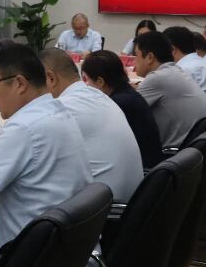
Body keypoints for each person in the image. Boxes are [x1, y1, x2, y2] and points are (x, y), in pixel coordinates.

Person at [0, 46, 93, 261]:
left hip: (26, 262)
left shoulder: (24, 127)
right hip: (66, 256)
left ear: (20, 83)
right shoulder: (57, 111)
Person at [40, 49, 143, 202]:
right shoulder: (100, 96)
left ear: (51, 78)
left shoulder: (63, 107)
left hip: (105, 209)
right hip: (130, 202)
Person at [81, 50, 164, 169]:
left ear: (100, 82)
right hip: (148, 165)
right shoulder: (127, 93)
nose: (87, 85)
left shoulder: (116, 104)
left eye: (87, 80)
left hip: (142, 169)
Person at [133, 31, 206, 149]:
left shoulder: (158, 78)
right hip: (195, 151)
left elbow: (126, 110)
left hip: (176, 153)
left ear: (150, 57)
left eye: (136, 56)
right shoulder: (175, 71)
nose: (134, 62)